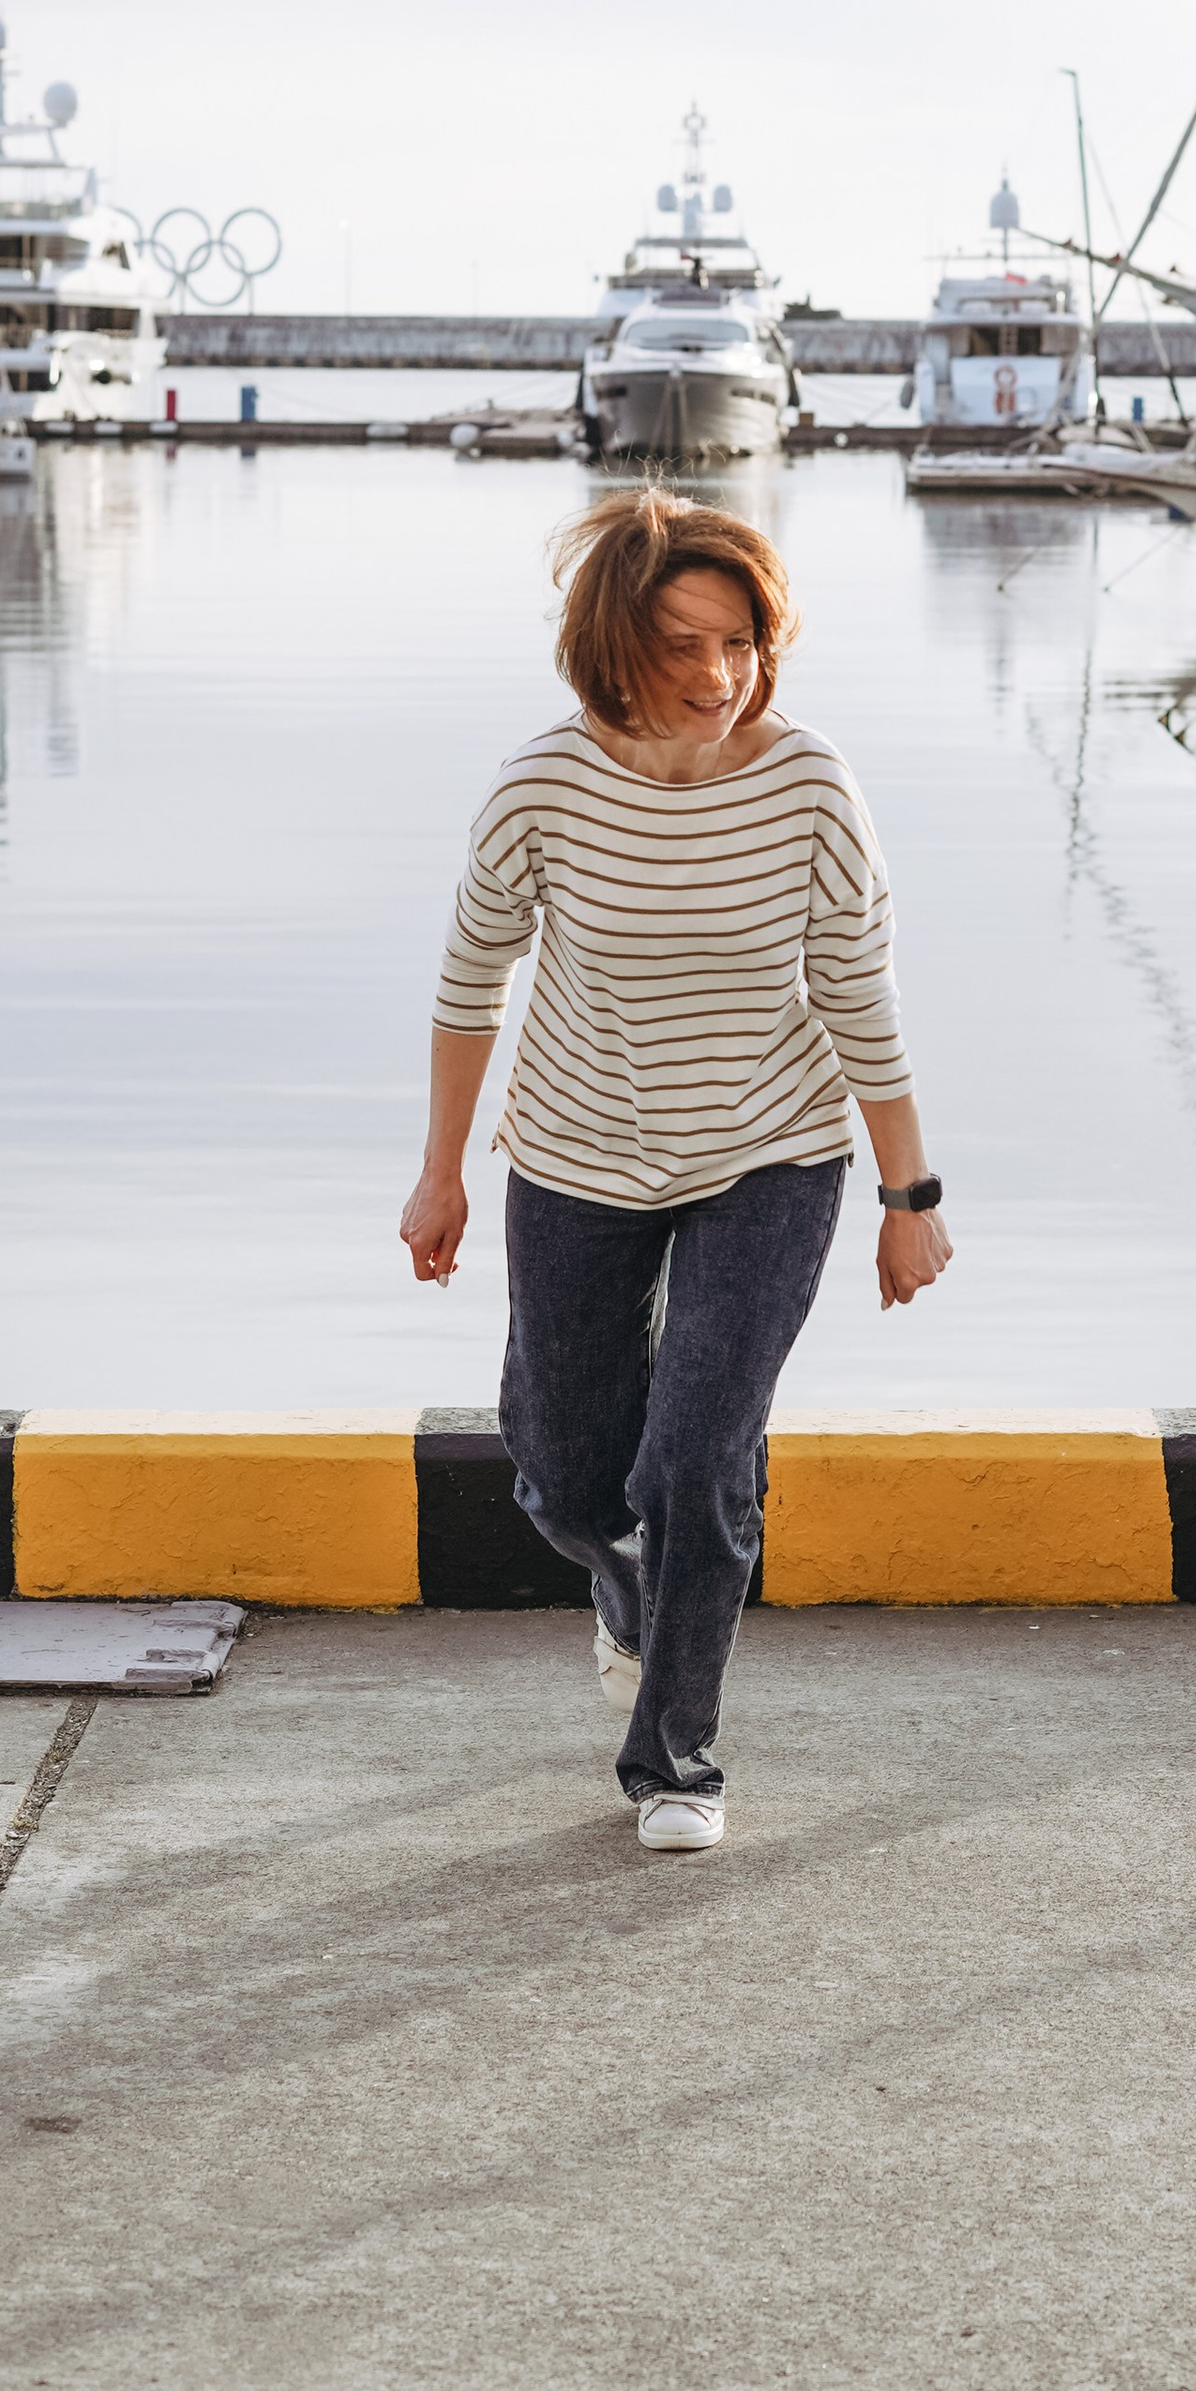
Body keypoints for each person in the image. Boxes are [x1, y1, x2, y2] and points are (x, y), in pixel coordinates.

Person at [399, 487, 949, 1850]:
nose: (718, 677)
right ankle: (627, 1591)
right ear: (611, 646)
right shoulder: (544, 783)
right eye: (683, 647)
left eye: (741, 643)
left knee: (699, 1458)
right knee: (570, 1475)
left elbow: (861, 994)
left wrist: (908, 1193)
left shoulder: (810, 780)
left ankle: (677, 1759)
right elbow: (471, 983)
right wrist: (441, 1171)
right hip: (579, 1149)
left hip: (771, 1151)